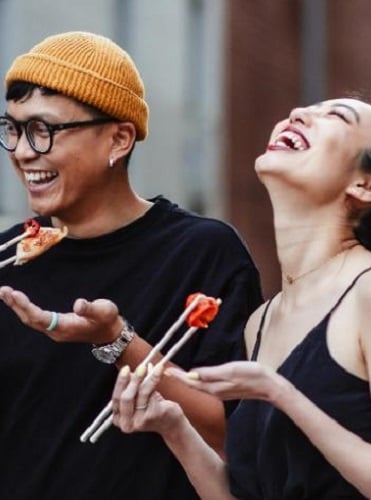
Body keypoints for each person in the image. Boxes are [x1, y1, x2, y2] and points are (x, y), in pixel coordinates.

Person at [0, 31, 263, 499]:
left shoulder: (203, 253)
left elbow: (238, 438)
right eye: (14, 129)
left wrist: (119, 341)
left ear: (119, 138)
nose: (24, 151)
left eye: (44, 130)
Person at [112, 97, 371, 499]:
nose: (297, 113)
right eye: (305, 108)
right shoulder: (262, 321)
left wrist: (281, 393)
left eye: (336, 116)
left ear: (364, 184)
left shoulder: (366, 293)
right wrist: (174, 427)